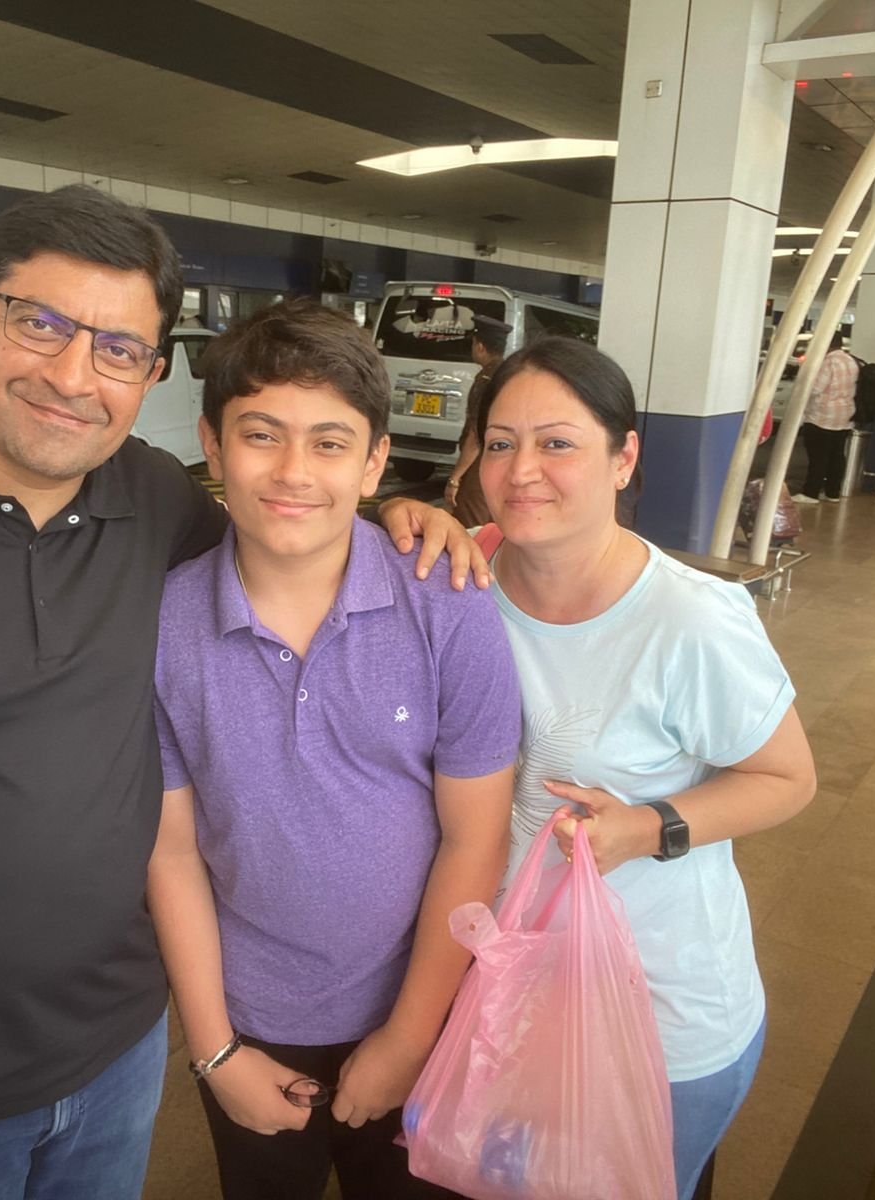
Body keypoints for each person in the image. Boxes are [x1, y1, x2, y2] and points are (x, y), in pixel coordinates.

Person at [0, 185, 483, 1200]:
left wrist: (398, 515)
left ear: (152, 371)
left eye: (117, 348)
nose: (73, 375)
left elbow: (289, 520)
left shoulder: (154, 500)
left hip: (116, 1055)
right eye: (40, 323)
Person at [148, 300, 521, 1199]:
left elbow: (475, 837)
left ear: (374, 461)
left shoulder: (448, 605)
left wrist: (409, 1039)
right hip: (253, 1019)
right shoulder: (164, 625)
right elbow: (171, 850)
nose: (293, 472)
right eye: (260, 435)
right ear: (211, 445)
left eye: (329, 443)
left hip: (420, 1006)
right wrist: (215, 1050)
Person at [468, 336, 816, 1200]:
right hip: (510, 997)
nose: (522, 470)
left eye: (557, 443)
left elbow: (787, 778)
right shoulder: (462, 576)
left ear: (623, 458)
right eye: (501, 442)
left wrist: (647, 827)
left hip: (658, 1013)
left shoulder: (688, 619)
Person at [443, 312, 510, 525]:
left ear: (480, 346)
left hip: (480, 463)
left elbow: (476, 434)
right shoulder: (508, 375)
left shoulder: (487, 379)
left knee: (469, 524)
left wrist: (455, 478)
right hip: (502, 457)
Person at [794, 330, 858, 504]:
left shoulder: (827, 362)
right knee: (837, 455)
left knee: (818, 456)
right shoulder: (850, 360)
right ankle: (833, 492)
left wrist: (804, 374)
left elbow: (815, 388)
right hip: (844, 415)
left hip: (822, 416)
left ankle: (811, 493)